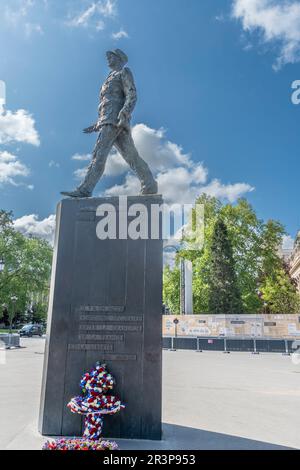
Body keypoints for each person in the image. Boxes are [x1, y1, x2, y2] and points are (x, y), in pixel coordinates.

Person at [61, 49, 158, 198]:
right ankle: (149, 184)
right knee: (131, 156)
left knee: (99, 154)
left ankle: (85, 189)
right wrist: (97, 124)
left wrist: (124, 113)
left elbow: (132, 94)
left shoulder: (123, 72)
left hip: (115, 121)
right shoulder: (108, 78)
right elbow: (108, 103)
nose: (107, 59)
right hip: (108, 121)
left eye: (110, 56)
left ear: (119, 58)